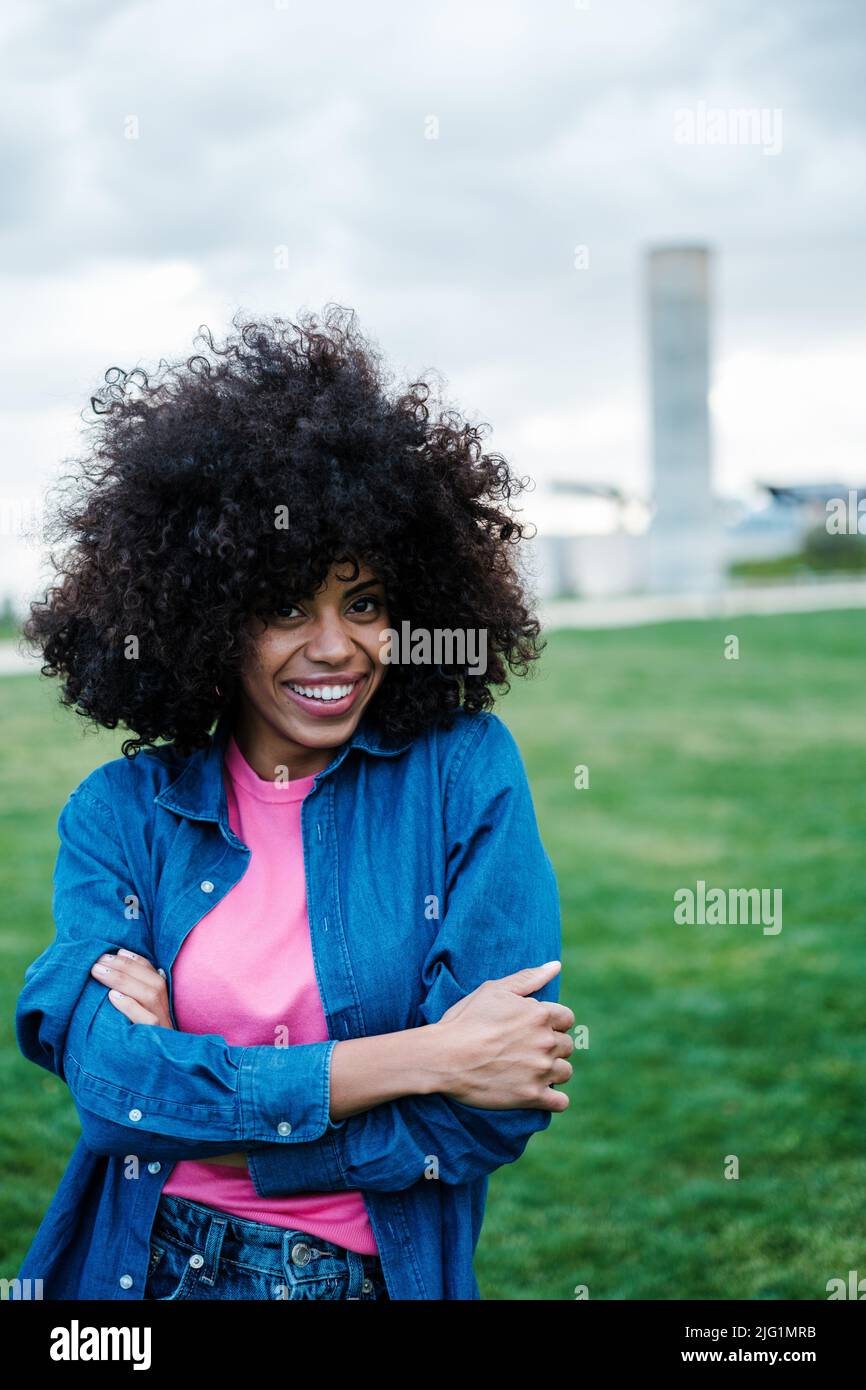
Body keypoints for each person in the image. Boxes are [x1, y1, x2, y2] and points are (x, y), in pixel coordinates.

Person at [14, 305, 573, 1301]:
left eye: (363, 602)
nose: (334, 645)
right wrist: (424, 1054)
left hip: (363, 1277)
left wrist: (217, 1120)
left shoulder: (461, 773)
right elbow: (105, 1089)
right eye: (284, 607)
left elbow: (492, 1107)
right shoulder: (120, 814)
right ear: (203, 618)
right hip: (143, 1271)